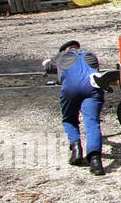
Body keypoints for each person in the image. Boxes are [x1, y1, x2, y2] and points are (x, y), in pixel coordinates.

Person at [42, 40, 106, 176]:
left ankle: (76, 149)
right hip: (93, 88)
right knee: (92, 122)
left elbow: (48, 67)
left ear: (65, 49)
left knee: (69, 119)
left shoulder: (62, 56)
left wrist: (46, 62)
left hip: (71, 88)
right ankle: (96, 162)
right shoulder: (90, 55)